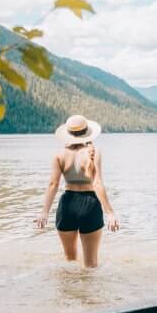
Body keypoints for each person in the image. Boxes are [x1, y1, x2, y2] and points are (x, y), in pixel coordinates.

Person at [35, 114, 120, 268]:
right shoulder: (93, 152)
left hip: (67, 206)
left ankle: (70, 291)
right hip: (90, 206)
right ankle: (89, 292)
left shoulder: (59, 155)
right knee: (91, 264)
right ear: (87, 132)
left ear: (68, 134)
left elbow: (53, 184)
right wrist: (110, 213)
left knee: (70, 261)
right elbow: (97, 183)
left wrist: (44, 212)